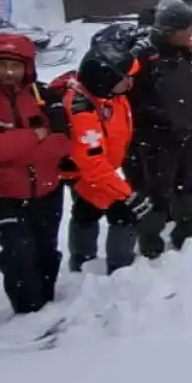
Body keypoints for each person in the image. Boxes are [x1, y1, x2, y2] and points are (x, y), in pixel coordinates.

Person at [0, 31, 73, 315]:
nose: (9, 72)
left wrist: (13, 146)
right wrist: (37, 134)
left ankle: (46, 306)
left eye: (16, 66)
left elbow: (63, 143)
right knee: (20, 251)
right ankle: (27, 312)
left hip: (47, 189)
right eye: (2, 65)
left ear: (28, 66)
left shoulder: (46, 95)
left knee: (46, 253)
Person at [127, 0, 192, 257]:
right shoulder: (143, 58)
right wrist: (163, 120)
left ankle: (185, 230)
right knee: (156, 192)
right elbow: (133, 101)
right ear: (171, 31)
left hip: (190, 133)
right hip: (157, 141)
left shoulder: (188, 51)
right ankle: (151, 241)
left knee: (185, 186)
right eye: (188, 28)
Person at [62, 40, 148, 275]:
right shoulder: (82, 109)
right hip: (87, 171)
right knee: (124, 212)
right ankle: (120, 270)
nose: (131, 83)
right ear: (106, 77)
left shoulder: (108, 94)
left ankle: (81, 260)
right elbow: (92, 164)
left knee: (86, 210)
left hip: (99, 169)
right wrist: (128, 195)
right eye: (126, 78)